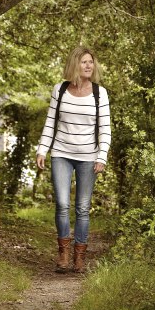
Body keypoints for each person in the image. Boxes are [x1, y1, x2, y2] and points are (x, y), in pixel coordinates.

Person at [36, 47, 111, 273]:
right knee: (62, 203)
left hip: (88, 157)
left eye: (91, 62)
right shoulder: (60, 90)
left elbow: (105, 129)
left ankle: (79, 256)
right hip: (61, 153)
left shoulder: (100, 93)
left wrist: (102, 156)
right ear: (74, 65)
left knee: (82, 208)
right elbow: (51, 122)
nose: (89, 66)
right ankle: (64, 254)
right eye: (84, 62)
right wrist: (42, 149)